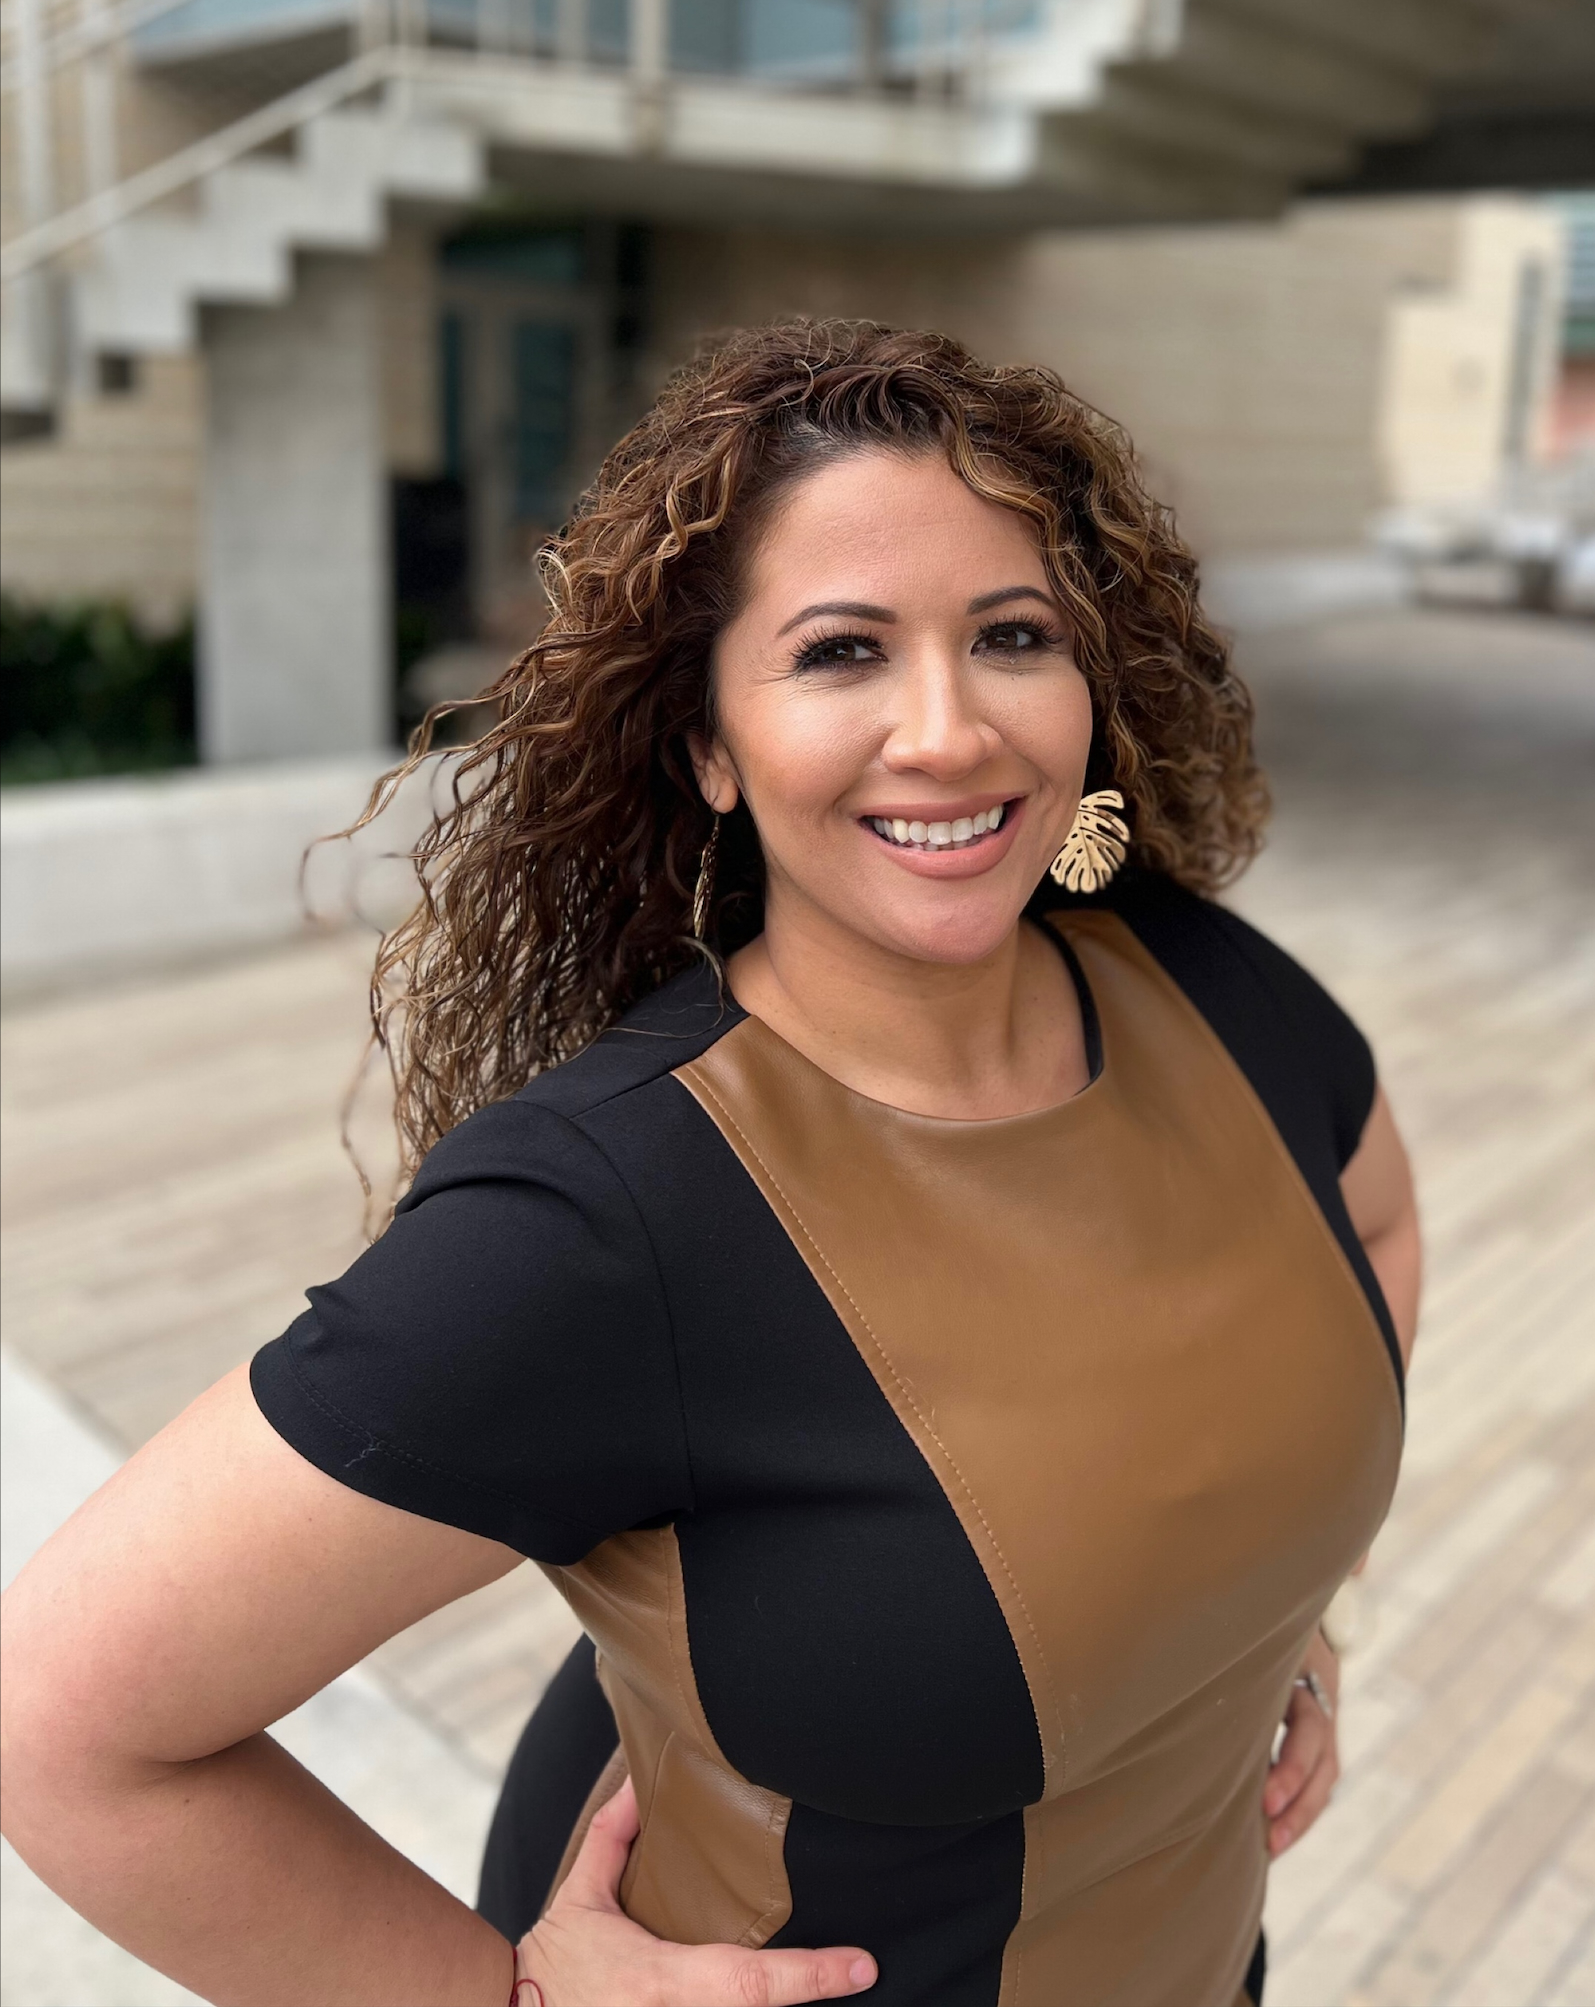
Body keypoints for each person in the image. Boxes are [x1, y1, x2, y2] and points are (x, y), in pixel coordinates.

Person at [0, 320, 1419, 2007]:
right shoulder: (608, 1216)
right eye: (841, 654)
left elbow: (1374, 1219)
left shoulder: (1204, 982)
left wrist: (1284, 1610)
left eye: (1013, 634)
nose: (951, 730)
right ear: (709, 747)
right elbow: (65, 1726)